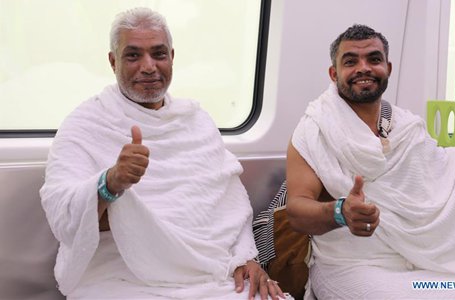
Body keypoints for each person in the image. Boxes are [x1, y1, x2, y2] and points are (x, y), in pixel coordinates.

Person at [40, 7, 287, 300]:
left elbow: (232, 208)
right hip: (119, 272)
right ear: (113, 61)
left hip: (211, 270)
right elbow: (62, 214)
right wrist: (109, 183)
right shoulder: (86, 124)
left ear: (171, 57)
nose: (148, 66)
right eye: (133, 55)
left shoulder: (196, 121)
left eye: (158, 54)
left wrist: (247, 258)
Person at [286, 24, 455, 299]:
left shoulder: (408, 127)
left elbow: (449, 171)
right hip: (351, 268)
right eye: (351, 61)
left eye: (373, 59)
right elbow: (296, 211)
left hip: (419, 263)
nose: (363, 68)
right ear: (333, 73)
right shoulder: (313, 131)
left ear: (388, 68)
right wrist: (340, 212)